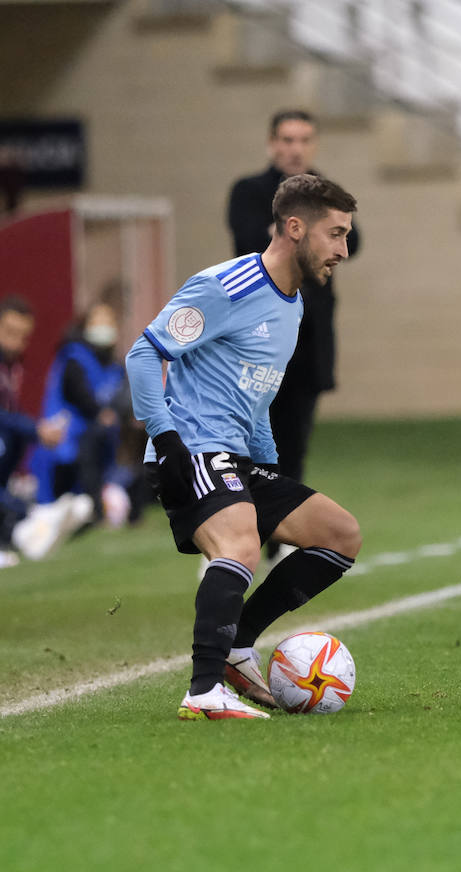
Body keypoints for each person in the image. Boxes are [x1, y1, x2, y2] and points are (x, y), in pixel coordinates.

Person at [128, 174, 363, 720]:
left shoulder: (294, 304)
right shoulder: (224, 287)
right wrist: (165, 441)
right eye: (336, 234)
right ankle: (203, 691)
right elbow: (143, 354)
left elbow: (257, 400)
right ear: (295, 227)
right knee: (239, 543)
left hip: (236, 457)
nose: (343, 251)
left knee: (339, 534)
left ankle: (238, 645)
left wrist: (273, 473)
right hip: (189, 449)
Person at [227, 109, 361, 489]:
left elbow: (356, 239)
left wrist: (311, 232)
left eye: (304, 140)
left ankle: (284, 539)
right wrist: (313, 232)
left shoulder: (327, 192)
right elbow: (247, 239)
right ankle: (237, 530)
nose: (296, 149)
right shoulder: (249, 190)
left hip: (309, 337)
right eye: (287, 140)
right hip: (259, 334)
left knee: (295, 442)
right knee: (250, 441)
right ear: (272, 144)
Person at [28, 301, 132, 522]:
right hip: (66, 438)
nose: (103, 327)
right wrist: (104, 415)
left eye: (108, 321)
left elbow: (124, 398)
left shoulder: (115, 365)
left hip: (100, 440)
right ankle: (95, 511)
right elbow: (81, 396)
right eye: (97, 321)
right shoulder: (74, 357)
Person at [0, 296, 79, 563]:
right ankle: (31, 524)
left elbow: (10, 412)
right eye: (10, 332)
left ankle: (26, 525)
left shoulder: (13, 365)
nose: (16, 342)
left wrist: (38, 430)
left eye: (23, 336)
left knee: (13, 440)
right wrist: (36, 430)